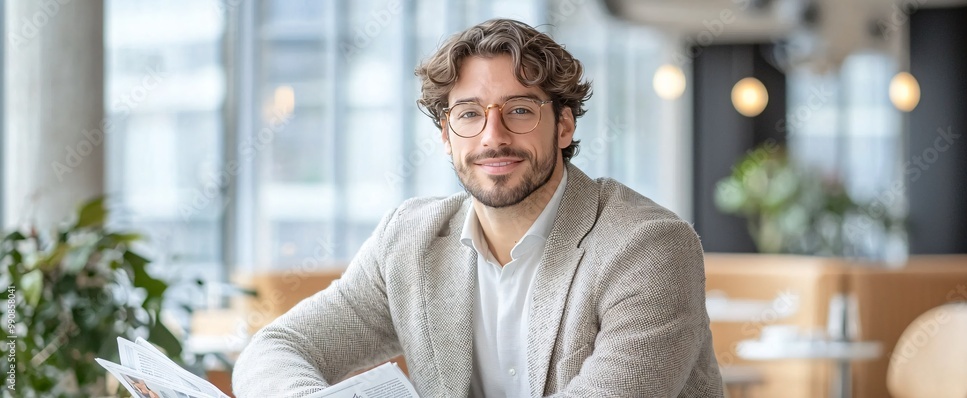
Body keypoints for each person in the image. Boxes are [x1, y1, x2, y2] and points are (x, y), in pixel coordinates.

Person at [233, 18, 723, 397]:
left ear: (564, 126)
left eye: (520, 110)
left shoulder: (648, 248)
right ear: (446, 135)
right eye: (469, 114)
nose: (493, 137)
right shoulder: (409, 240)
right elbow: (276, 350)